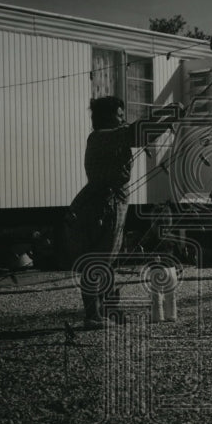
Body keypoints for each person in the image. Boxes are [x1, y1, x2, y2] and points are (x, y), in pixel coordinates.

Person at [66, 96, 183, 329]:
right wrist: (169, 114)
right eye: (119, 115)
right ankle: (93, 315)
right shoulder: (102, 136)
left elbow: (137, 131)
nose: (122, 118)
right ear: (106, 117)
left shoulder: (103, 137)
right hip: (103, 203)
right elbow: (137, 133)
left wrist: (167, 116)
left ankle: (101, 312)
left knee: (105, 259)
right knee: (100, 259)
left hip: (105, 201)